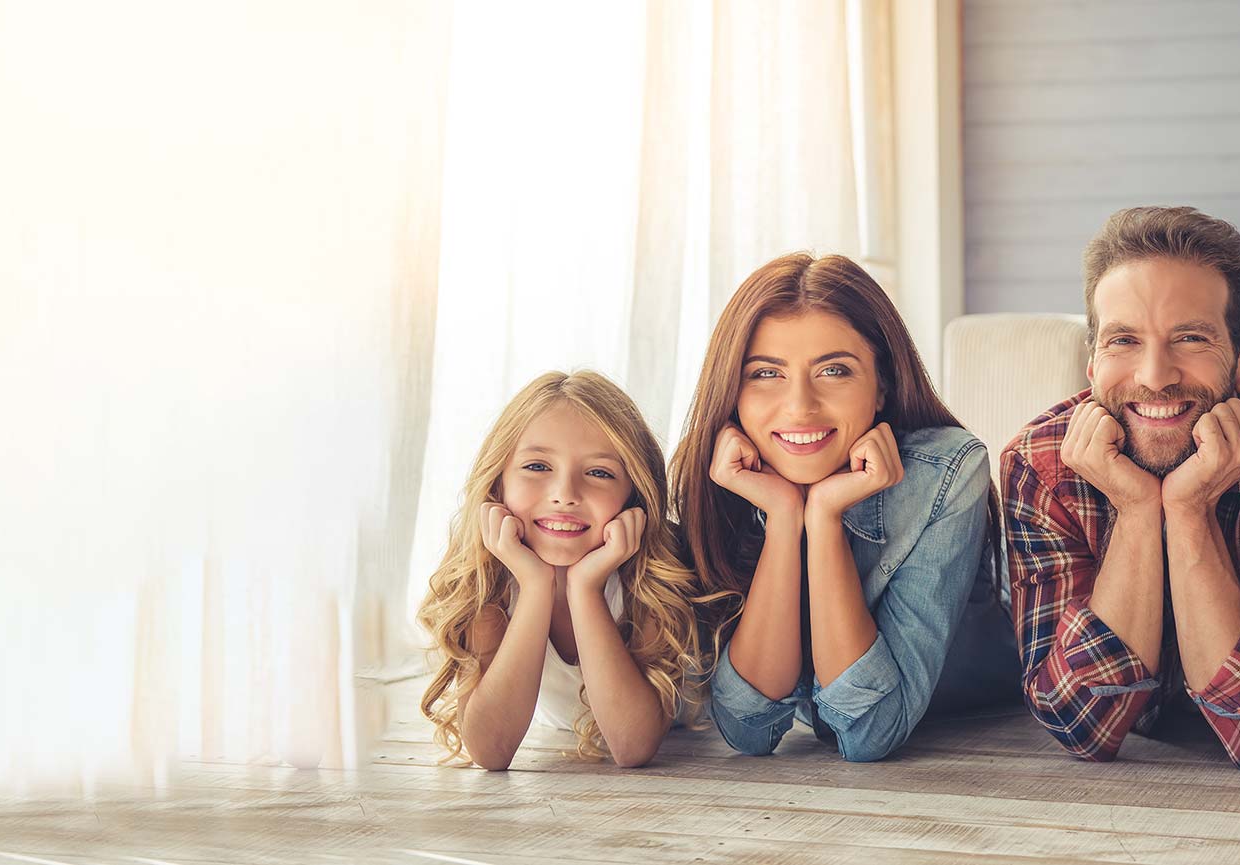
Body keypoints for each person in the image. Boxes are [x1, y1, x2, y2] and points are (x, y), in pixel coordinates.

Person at [1003, 206, 1240, 770]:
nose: (1154, 375)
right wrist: (1135, 509)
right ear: (1091, 363)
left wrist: (1189, 508)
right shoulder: (1037, 465)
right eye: (1123, 340)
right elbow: (1079, 720)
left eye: (1191, 338)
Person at [670, 252, 1017, 762]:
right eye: (766, 373)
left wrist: (825, 518)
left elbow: (869, 733)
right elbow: (748, 729)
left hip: (985, 723)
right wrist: (787, 519)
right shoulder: (732, 476)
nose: (800, 406)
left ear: (882, 386)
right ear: (734, 392)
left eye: (834, 370)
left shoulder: (945, 471)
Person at [415, 370, 707, 769]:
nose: (565, 495)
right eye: (537, 467)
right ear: (498, 483)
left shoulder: (652, 576)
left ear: (633, 496)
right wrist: (535, 586)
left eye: (599, 473)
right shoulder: (490, 581)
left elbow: (632, 746)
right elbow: (490, 751)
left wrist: (585, 589)